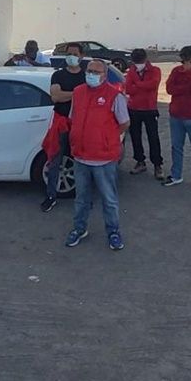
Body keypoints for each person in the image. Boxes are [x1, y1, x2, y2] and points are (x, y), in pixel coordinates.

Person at [65, 59, 129, 250]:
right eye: (89, 70)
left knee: (109, 199)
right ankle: (79, 228)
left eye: (96, 72)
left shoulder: (114, 96)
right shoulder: (78, 93)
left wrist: (106, 138)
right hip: (81, 156)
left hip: (104, 158)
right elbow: (72, 118)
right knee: (81, 198)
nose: (91, 74)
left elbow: (124, 123)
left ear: (104, 75)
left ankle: (113, 232)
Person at [41, 42, 86, 213]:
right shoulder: (58, 75)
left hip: (81, 124)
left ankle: (83, 196)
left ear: (81, 56)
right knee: (54, 160)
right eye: (69, 54)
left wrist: (67, 95)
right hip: (61, 124)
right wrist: (78, 93)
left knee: (82, 161)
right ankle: (51, 196)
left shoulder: (86, 75)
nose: (71, 57)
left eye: (74, 54)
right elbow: (55, 96)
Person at [162, 45, 191, 190]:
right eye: (182, 61)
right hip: (176, 115)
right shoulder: (176, 71)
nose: (184, 64)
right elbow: (169, 89)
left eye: (187, 61)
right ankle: (176, 175)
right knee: (176, 147)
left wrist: (189, 74)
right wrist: (185, 88)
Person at [125, 48, 164, 179]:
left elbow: (152, 85)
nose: (138, 63)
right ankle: (140, 161)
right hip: (134, 109)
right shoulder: (131, 70)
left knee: (153, 137)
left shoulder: (155, 70)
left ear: (145, 59)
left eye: (139, 60)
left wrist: (137, 84)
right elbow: (129, 89)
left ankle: (157, 165)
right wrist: (141, 85)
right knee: (135, 137)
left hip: (149, 109)